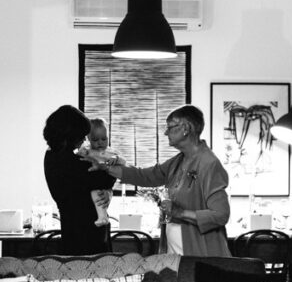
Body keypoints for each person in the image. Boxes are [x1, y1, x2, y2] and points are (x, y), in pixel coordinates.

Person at [89, 104, 230, 256]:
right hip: (175, 255)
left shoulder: (209, 164)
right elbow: (146, 176)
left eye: (170, 127)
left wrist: (179, 212)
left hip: (201, 256)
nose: (165, 132)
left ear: (186, 129)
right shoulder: (178, 161)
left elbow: (220, 215)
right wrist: (106, 168)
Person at [42, 105, 117, 254]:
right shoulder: (67, 161)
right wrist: (108, 173)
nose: (84, 139)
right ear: (70, 135)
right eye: (81, 135)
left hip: (73, 230)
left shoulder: (52, 156)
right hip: (86, 235)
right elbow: (105, 179)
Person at [77, 118, 121, 226]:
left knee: (102, 196)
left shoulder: (111, 152)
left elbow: (123, 164)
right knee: (96, 193)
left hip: (108, 187)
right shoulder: (87, 150)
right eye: (95, 140)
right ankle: (102, 217)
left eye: (104, 139)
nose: (100, 143)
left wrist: (116, 158)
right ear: (88, 138)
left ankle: (103, 216)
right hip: (95, 187)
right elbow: (79, 156)